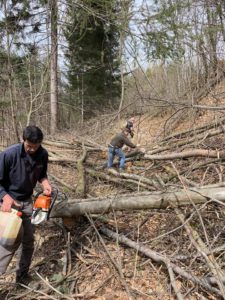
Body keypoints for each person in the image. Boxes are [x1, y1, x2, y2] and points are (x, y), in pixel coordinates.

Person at [0, 125, 52, 286]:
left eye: (35, 146)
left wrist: (45, 184)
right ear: (24, 140)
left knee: (28, 241)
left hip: (28, 202)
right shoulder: (9, 154)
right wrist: (5, 197)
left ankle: (22, 276)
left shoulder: (42, 154)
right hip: (9, 204)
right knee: (8, 243)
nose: (32, 149)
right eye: (29, 146)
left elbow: (41, 175)